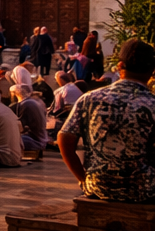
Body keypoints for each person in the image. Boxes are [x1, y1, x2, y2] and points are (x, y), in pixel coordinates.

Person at [57, 38, 155, 202]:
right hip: (145, 190)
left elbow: (64, 138)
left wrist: (83, 179)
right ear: (152, 71)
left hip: (98, 187)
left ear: (120, 66)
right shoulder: (152, 103)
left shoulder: (89, 99)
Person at [11, 83, 50, 151]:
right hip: (41, 139)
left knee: (6, 140)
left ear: (15, 94)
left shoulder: (26, 104)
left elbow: (20, 127)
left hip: (35, 141)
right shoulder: (35, 102)